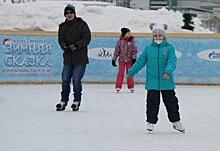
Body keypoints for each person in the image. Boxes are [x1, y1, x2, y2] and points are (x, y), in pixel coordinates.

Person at [128, 23, 185, 133]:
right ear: (153, 37)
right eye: (155, 35)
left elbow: (172, 61)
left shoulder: (169, 48)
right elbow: (140, 61)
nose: (158, 37)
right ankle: (151, 122)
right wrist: (131, 71)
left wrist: (168, 71)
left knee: (171, 102)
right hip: (152, 81)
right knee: (152, 102)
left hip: (166, 80)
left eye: (160, 35)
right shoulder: (148, 48)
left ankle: (175, 121)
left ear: (164, 36)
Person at [56, 4, 91, 111]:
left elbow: (87, 38)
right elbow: (60, 39)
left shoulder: (82, 24)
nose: (69, 14)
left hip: (80, 59)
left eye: (71, 12)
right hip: (68, 58)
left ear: (74, 13)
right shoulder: (62, 27)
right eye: (67, 13)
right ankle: (63, 101)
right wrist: (64, 47)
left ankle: (76, 101)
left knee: (76, 80)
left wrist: (76, 45)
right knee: (65, 79)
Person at [112, 27, 137, 93]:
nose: (129, 34)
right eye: (128, 33)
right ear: (124, 34)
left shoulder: (132, 41)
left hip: (129, 60)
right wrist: (113, 59)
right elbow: (116, 51)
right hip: (122, 60)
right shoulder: (119, 42)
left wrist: (134, 58)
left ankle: (131, 86)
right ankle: (118, 86)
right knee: (120, 73)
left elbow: (134, 50)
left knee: (129, 73)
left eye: (129, 33)